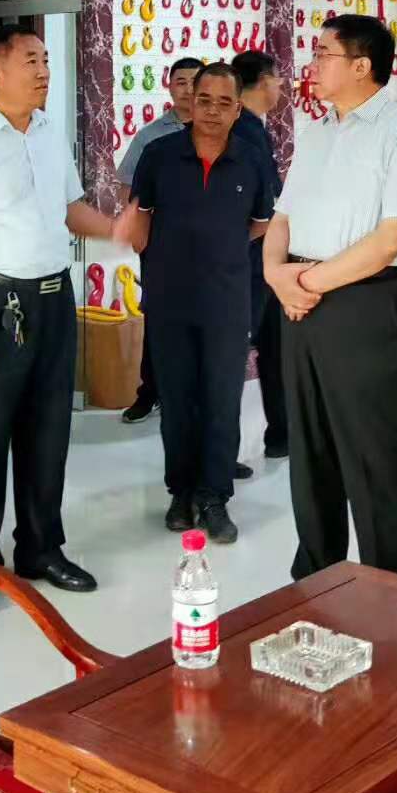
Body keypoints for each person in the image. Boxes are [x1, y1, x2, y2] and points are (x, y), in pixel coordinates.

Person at [0, 24, 133, 616]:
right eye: (31, 61)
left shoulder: (48, 133)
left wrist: (115, 229)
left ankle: (41, 549)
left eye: (45, 60)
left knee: (48, 432)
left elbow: (69, 210)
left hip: (52, 300)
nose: (44, 70)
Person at [264, 14, 397, 581]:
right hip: (300, 301)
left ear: (362, 66)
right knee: (310, 446)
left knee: (373, 452)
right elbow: (282, 217)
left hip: (366, 303)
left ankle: (391, 585)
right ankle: (319, 577)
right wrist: (275, 274)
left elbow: (393, 238)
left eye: (323, 54)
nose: (311, 64)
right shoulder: (316, 131)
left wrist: (303, 284)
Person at [126, 62, 274, 543]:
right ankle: (181, 491)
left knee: (221, 399)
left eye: (223, 103)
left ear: (237, 109)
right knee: (176, 399)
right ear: (190, 101)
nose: (211, 111)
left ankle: (214, 496)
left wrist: (219, 253)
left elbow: (260, 223)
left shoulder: (252, 160)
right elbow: (139, 218)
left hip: (227, 299)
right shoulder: (160, 154)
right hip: (169, 299)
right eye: (203, 99)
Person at [116, 56, 203, 425]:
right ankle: (150, 392)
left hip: (209, 248)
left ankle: (194, 395)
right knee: (159, 319)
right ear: (170, 87)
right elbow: (127, 187)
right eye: (180, 82)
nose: (188, 89)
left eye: (195, 82)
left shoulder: (221, 131)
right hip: (162, 246)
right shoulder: (151, 136)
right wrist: (139, 229)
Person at [231, 50, 287, 459]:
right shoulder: (245, 130)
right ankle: (221, 453)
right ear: (265, 80)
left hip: (263, 260)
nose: (281, 88)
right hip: (249, 261)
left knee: (275, 347)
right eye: (279, 80)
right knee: (234, 356)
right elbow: (262, 206)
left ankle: (282, 433)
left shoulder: (254, 128)